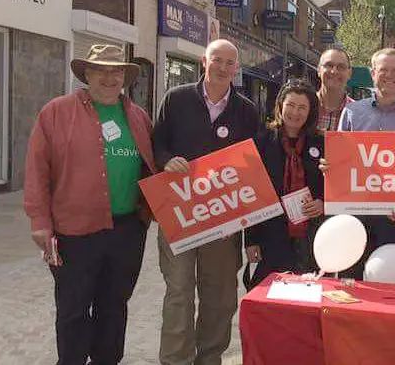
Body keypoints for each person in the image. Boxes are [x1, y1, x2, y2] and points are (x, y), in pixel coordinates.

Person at [24, 44, 156, 365]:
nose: (110, 78)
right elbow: (37, 169)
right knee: (73, 309)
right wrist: (40, 221)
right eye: (101, 70)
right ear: (87, 74)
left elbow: (153, 167)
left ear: (125, 76)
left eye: (117, 71)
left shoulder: (138, 117)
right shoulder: (56, 112)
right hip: (74, 230)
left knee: (114, 307)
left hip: (127, 230)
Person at [152, 39, 261, 365]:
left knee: (220, 298)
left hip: (224, 222)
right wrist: (167, 160)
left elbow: (252, 168)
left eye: (230, 63)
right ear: (204, 61)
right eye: (218, 60)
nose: (223, 68)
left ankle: (209, 359)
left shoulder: (247, 110)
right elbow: (157, 145)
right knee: (179, 294)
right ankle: (175, 360)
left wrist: (240, 219)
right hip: (180, 215)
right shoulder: (176, 99)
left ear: (237, 68)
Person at [336, 48, 395, 278]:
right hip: (355, 213)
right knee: (350, 281)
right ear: (372, 72)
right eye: (383, 70)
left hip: (393, 216)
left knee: (388, 282)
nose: (389, 75)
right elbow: (339, 163)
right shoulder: (351, 113)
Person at [244, 81, 326, 287]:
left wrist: (323, 202)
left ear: (310, 111)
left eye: (302, 107)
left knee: (307, 297)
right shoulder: (262, 141)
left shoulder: (322, 143)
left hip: (310, 238)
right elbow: (251, 194)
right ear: (280, 106)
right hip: (271, 235)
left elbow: (333, 186)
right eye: (290, 105)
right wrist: (250, 240)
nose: (295, 113)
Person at [316, 48, 354, 132]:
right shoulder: (305, 106)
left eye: (341, 67)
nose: (334, 71)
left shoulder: (358, 113)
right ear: (319, 70)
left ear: (349, 73)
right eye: (329, 65)